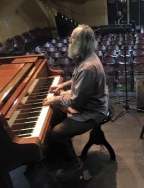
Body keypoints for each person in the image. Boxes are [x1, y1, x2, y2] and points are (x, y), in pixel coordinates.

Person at [42, 24, 108, 181]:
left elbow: (76, 100)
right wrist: (63, 85)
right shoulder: (86, 56)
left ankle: (73, 164)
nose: (69, 42)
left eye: (72, 39)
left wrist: (56, 98)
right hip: (89, 102)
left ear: (82, 42)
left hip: (93, 111)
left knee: (56, 133)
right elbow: (77, 80)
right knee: (55, 113)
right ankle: (55, 154)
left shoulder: (88, 67)